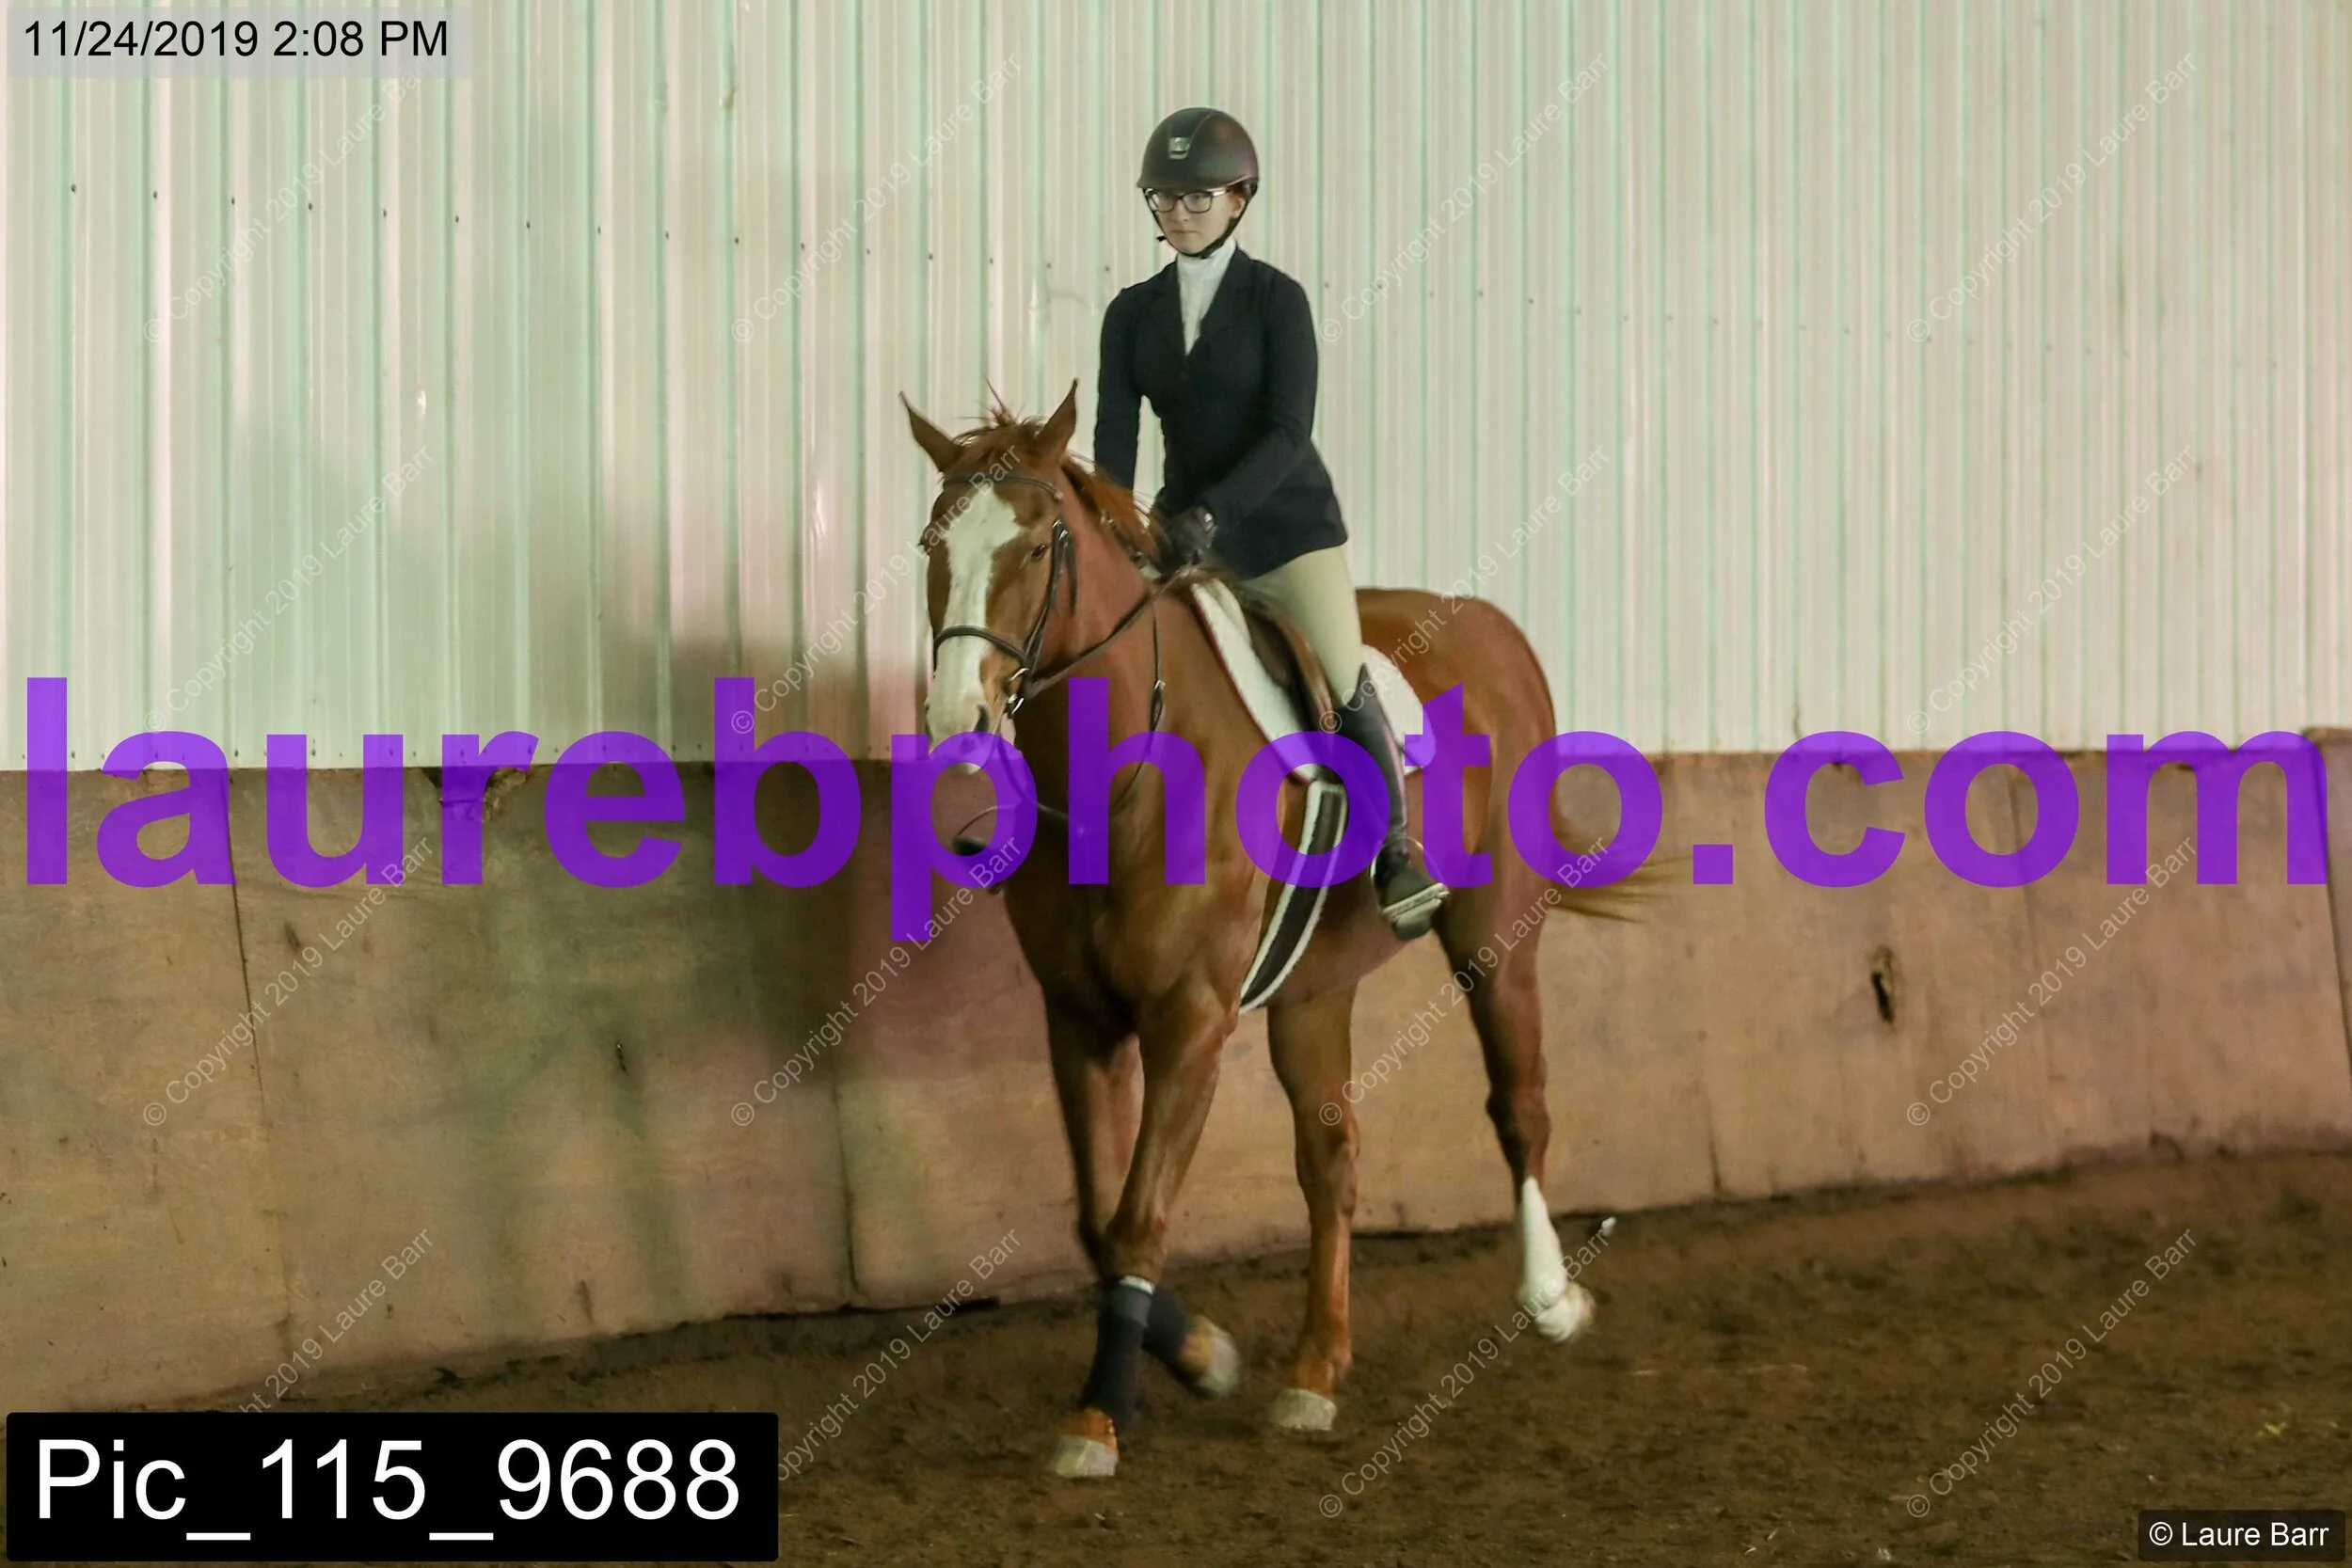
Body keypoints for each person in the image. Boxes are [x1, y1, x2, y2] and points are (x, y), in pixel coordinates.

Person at [1092, 106, 1446, 941]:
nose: (1179, 214)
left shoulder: (1276, 302)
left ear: (1240, 199)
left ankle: (1394, 852)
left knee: (1340, 671)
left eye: (1198, 198)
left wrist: (1215, 513)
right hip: (1179, 532)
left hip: (1284, 531)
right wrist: (1117, 529)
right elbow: (1113, 440)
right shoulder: (1131, 314)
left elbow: (1289, 433)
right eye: (1164, 198)